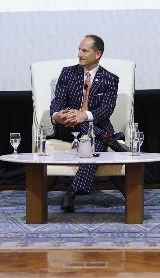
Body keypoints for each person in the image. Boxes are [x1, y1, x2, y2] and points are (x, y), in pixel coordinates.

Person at [49, 34, 120, 212]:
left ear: (98, 54)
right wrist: (58, 116)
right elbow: (57, 102)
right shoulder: (68, 73)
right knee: (91, 131)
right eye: (79, 50)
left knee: (92, 141)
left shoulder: (110, 79)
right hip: (69, 128)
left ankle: (71, 192)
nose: (79, 54)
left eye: (85, 51)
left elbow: (106, 109)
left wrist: (84, 115)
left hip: (93, 125)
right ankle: (109, 139)